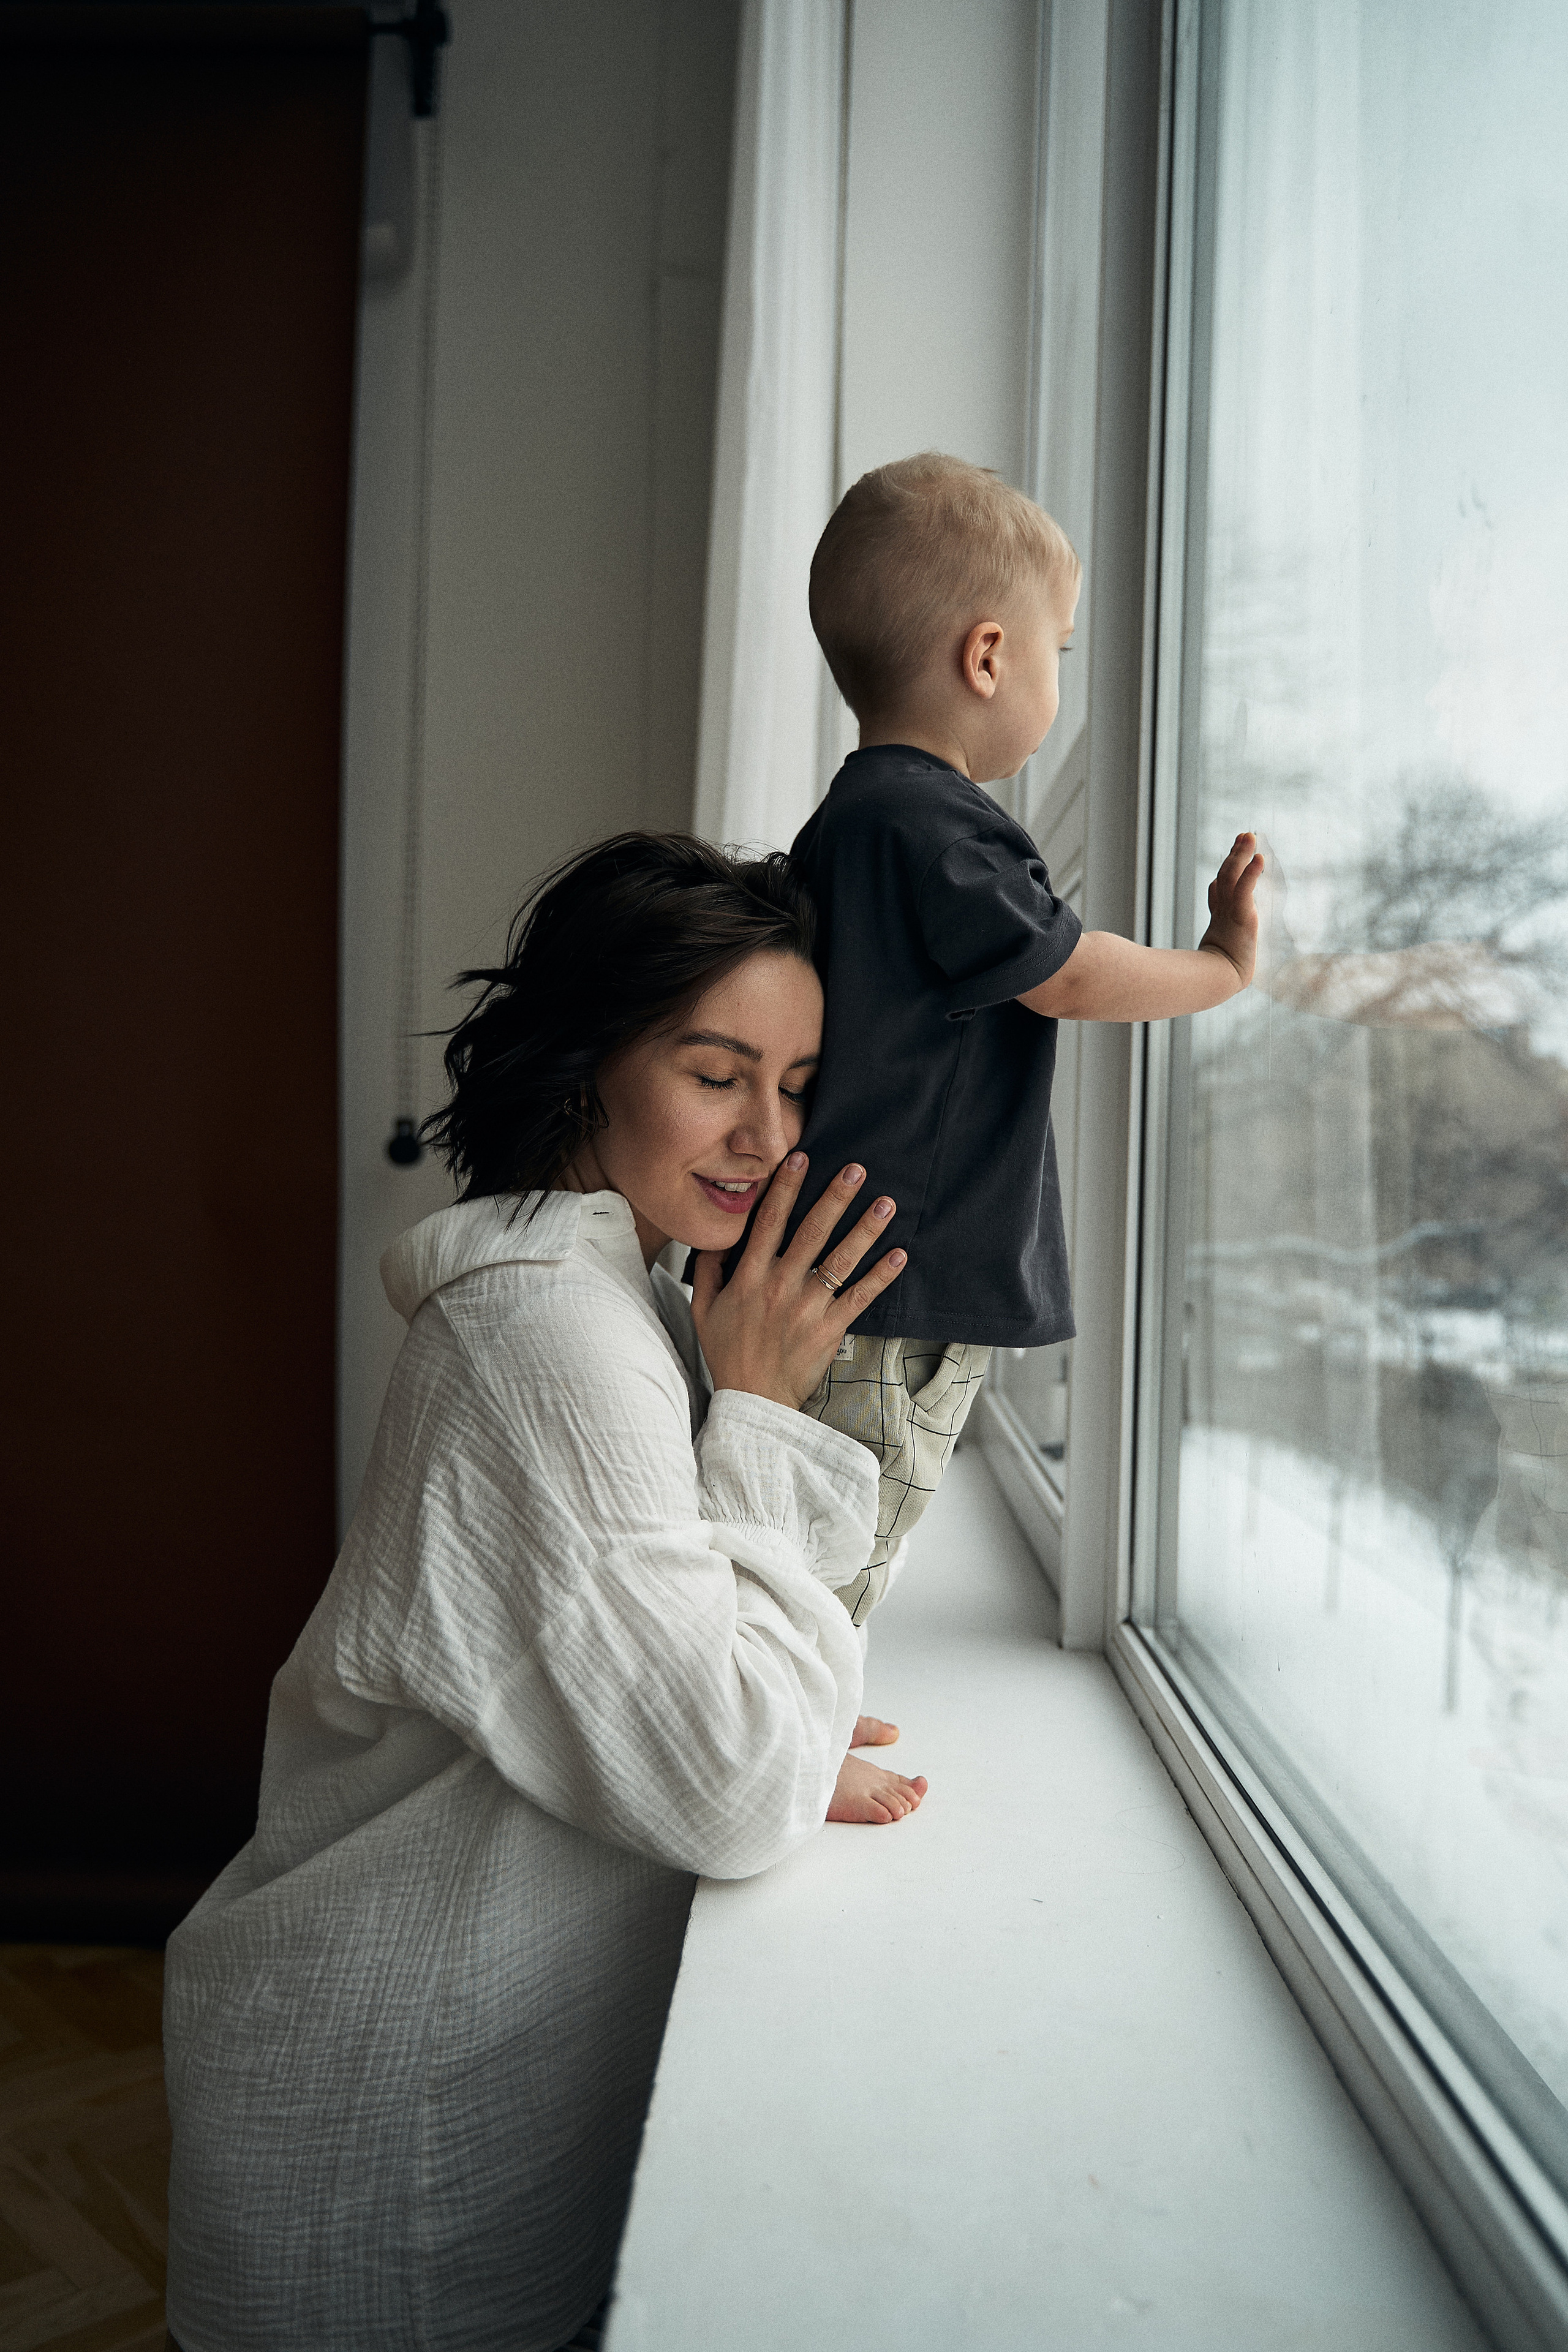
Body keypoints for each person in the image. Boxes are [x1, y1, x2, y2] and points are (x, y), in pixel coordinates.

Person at [162, 834, 927, 2352]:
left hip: (431, 2051)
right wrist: (762, 1412)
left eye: (795, 1082)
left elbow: (640, 1648)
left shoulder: (623, 1292)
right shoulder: (548, 1343)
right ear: (590, 1066)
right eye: (716, 1073)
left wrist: (780, 1721)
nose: (767, 1135)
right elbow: (720, 1782)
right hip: (385, 2101)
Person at [788, 451, 1263, 1620]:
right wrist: (1218, 966)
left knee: (815, 1509)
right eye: (1059, 652)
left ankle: (799, 1701)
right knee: (850, 1522)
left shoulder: (850, 823)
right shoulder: (938, 828)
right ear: (989, 656)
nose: (1058, 683)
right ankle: (788, 1721)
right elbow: (1064, 972)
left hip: (843, 1253)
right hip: (897, 1271)